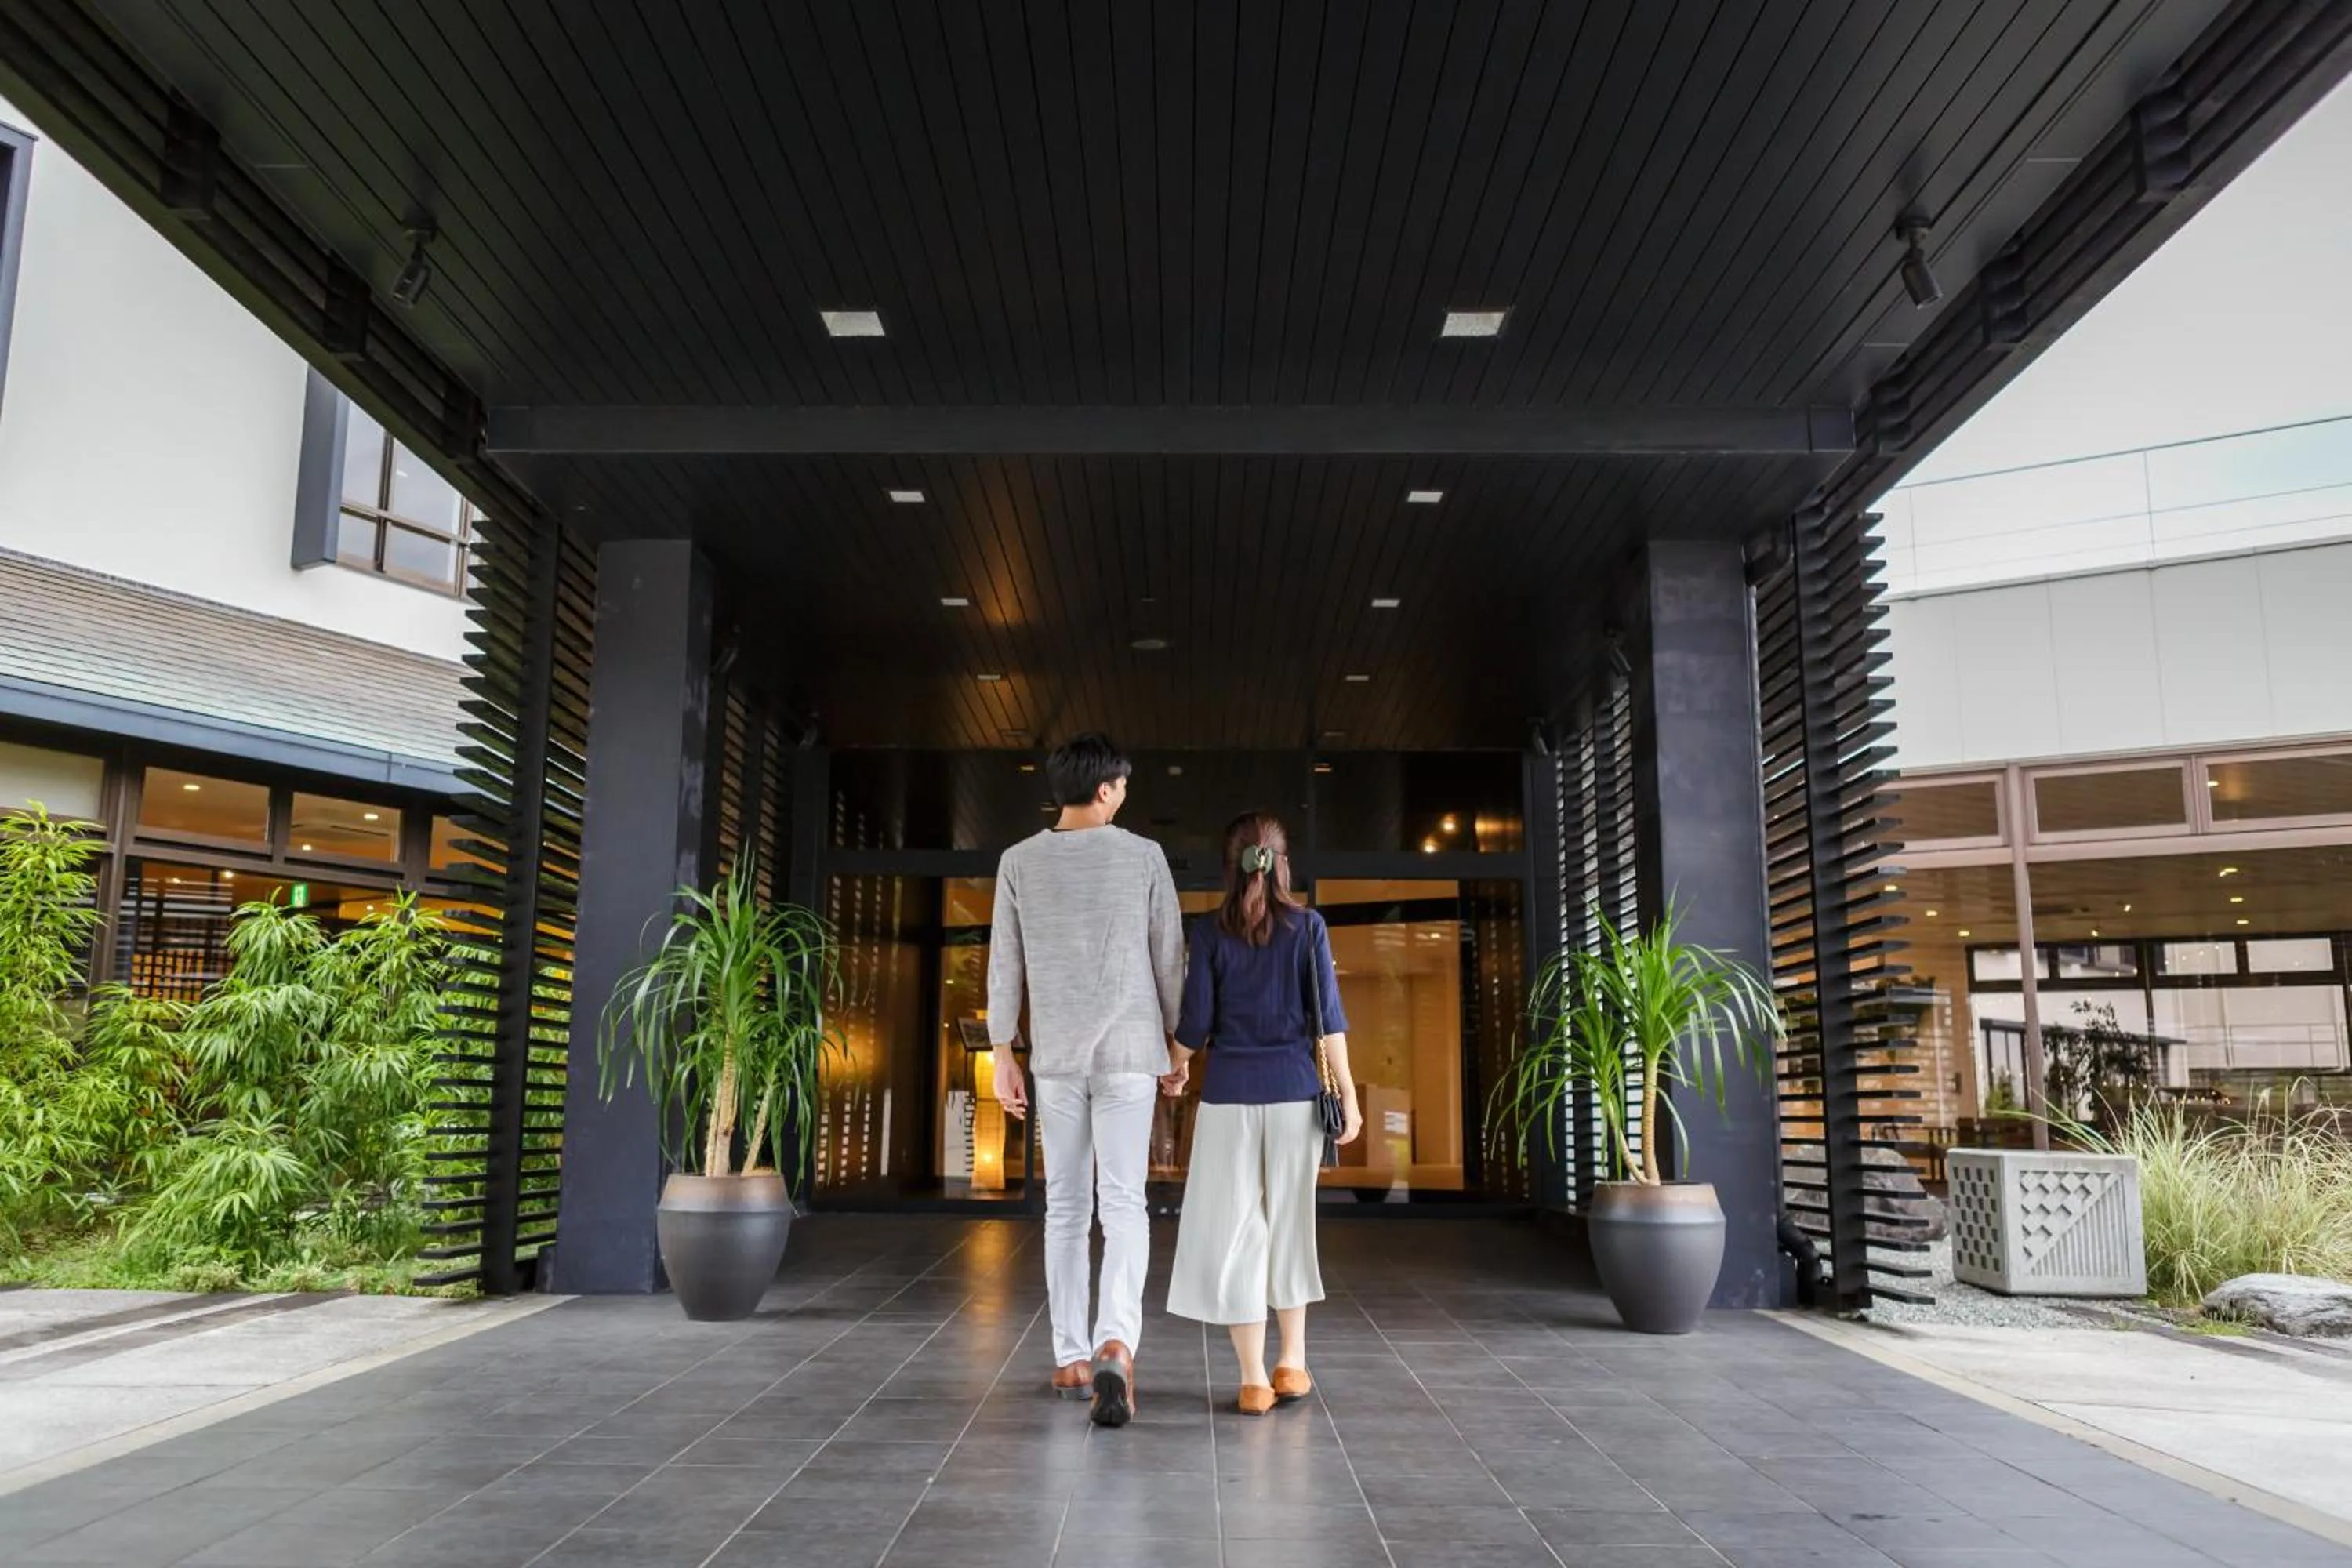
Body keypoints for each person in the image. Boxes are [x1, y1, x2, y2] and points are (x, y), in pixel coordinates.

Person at [986, 732, 1184, 1428]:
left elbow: (1004, 963)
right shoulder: (1144, 856)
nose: (1124, 795)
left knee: (1067, 1208)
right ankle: (1115, 1343)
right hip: (1130, 1054)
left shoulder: (1018, 861)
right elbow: (1169, 957)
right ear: (1105, 790)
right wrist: (1178, 1048)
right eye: (1123, 786)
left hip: (1057, 1059)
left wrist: (1002, 1052)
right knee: (1124, 1204)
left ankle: (1072, 1356)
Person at [1163, 812, 1362, 1414]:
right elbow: (1328, 1022)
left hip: (1228, 1101)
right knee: (1290, 1228)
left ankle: (1253, 1381)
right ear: (1283, 865)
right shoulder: (1309, 927)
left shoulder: (1209, 931)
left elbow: (1195, 1025)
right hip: (1297, 1097)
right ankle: (1292, 1364)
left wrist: (1173, 1067)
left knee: (1236, 1237)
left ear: (1230, 867)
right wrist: (1349, 1097)